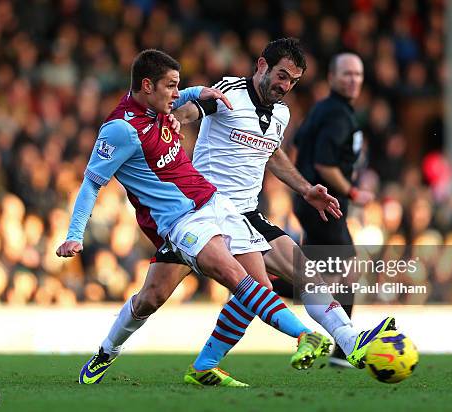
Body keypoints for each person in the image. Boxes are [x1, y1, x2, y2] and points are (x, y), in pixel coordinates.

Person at [83, 41, 395, 387]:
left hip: (246, 213)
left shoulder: (282, 113)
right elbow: (193, 111)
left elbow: (273, 155)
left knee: (298, 276)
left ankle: (350, 341)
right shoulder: (230, 89)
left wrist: (306, 189)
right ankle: (107, 351)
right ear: (262, 65)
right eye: (281, 75)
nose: (285, 85)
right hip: (198, 211)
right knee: (150, 298)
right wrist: (174, 119)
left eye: (293, 80)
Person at [292, 52, 375, 367]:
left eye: (358, 74)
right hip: (324, 205)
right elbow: (324, 164)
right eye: (347, 74)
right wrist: (352, 190)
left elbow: (299, 143)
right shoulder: (339, 115)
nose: (353, 79)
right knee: (349, 271)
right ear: (331, 77)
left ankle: (255, 284)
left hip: (309, 201)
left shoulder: (323, 109)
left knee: (308, 275)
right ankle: (344, 350)